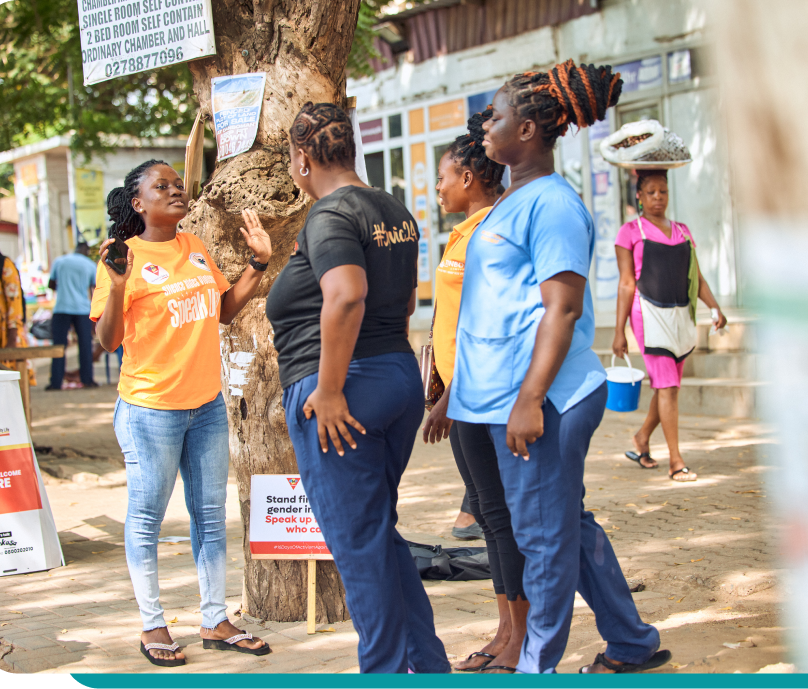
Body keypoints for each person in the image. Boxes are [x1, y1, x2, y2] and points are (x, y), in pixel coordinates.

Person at [447, 60, 670, 674]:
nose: (485, 124)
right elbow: (495, 307)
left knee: (543, 542)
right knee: (563, 527)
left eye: (496, 114)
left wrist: (529, 399)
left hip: (548, 399)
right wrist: (456, 392)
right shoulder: (515, 200)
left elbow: (563, 309)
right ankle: (632, 643)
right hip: (504, 398)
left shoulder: (553, 204)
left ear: (530, 129)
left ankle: (535, 667)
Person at [265, 102, 449, 674]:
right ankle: (428, 665)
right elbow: (406, 301)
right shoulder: (393, 210)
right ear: (351, 150)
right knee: (378, 537)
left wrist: (329, 389)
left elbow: (346, 294)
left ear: (301, 159)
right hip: (393, 378)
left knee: (358, 552)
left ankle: (384, 674)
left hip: (345, 391)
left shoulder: (328, 215)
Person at [90, 160, 272, 667]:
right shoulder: (122, 257)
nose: (175, 189)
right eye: (161, 186)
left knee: (211, 516)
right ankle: (152, 622)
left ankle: (214, 617)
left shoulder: (193, 246)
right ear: (138, 203)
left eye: (177, 184)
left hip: (206, 406)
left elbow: (223, 310)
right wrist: (120, 284)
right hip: (150, 411)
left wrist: (256, 266)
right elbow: (107, 342)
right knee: (146, 518)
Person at [423, 110, 529, 673]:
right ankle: (504, 628)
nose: (437, 186)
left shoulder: (491, 230)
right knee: (488, 517)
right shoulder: (464, 233)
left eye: (443, 175)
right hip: (462, 396)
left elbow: (485, 325)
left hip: (483, 396)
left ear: (468, 177)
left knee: (501, 514)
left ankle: (522, 635)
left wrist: (446, 397)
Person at [613, 169, 727, 481]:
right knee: (667, 386)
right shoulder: (629, 232)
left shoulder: (683, 231)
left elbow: (696, 277)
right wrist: (619, 330)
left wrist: (715, 306)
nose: (658, 198)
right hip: (647, 315)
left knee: (669, 387)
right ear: (639, 195)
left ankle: (641, 438)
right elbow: (626, 283)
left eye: (663, 191)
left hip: (680, 315)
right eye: (651, 192)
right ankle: (676, 461)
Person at [0, 219, 35, 384]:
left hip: (2, 332)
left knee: (7, 382)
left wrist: (12, 340)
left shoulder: (3, 264)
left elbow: (15, 303)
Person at [47, 241, 98, 389]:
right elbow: (95, 289)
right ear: (86, 251)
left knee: (58, 346)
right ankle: (87, 379)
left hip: (62, 307)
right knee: (85, 345)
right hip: (82, 309)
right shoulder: (90, 265)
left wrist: (65, 287)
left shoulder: (60, 261)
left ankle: (56, 382)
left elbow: (51, 284)